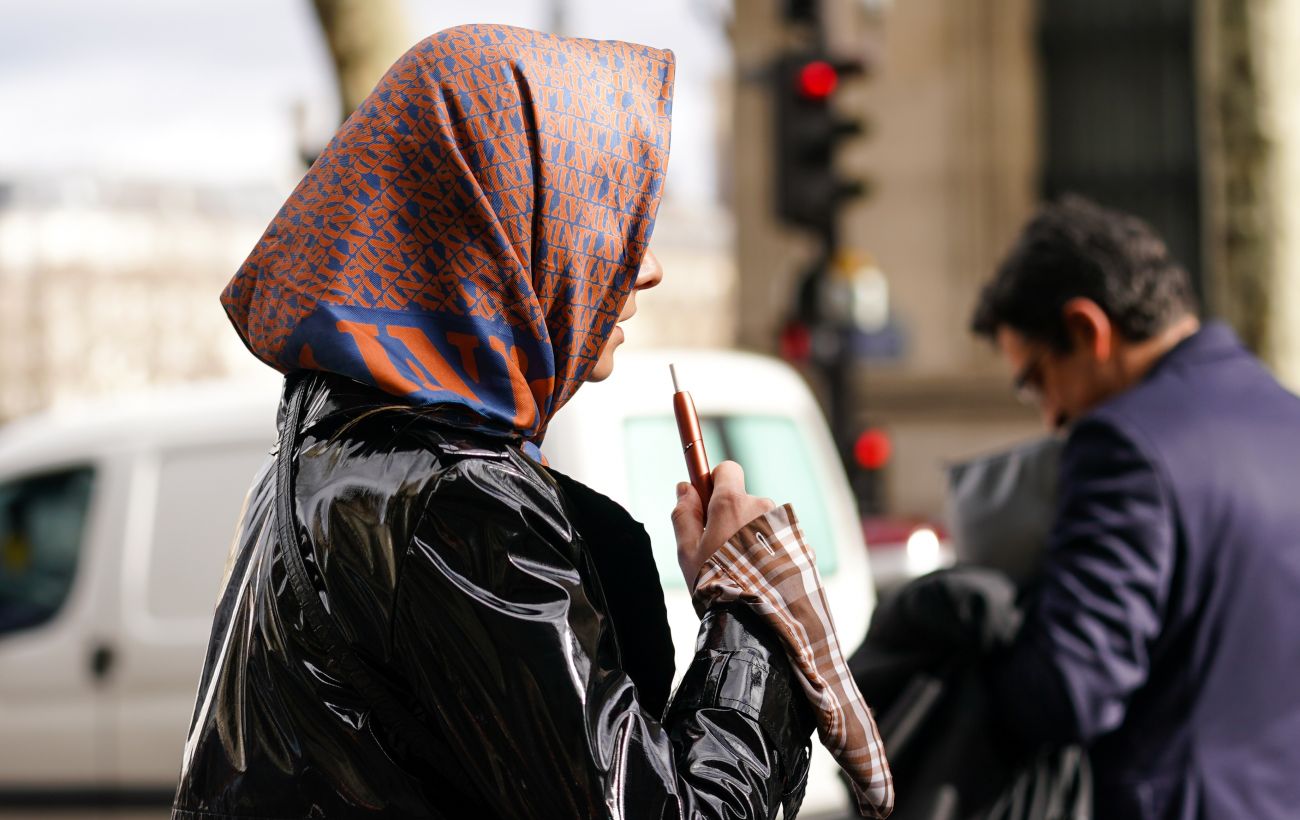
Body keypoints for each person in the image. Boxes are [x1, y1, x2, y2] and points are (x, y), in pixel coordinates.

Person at [170, 24, 892, 820]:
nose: (647, 268)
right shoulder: (458, 505)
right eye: (609, 217)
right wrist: (749, 614)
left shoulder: (316, 454)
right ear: (499, 232)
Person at [971, 194, 1300, 819]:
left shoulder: (1123, 445)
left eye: (1036, 379)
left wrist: (979, 650)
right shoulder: (1290, 418)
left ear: (1086, 329)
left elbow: (1070, 687)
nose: (1051, 416)